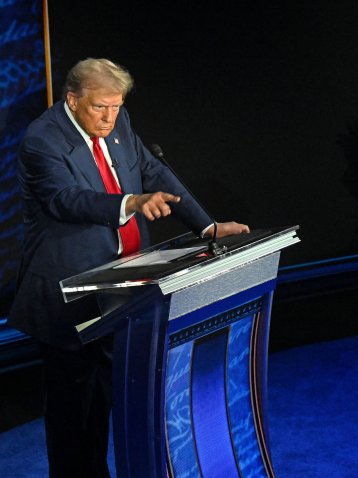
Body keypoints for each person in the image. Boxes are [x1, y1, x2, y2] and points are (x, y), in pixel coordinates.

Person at [9, 58, 249, 477]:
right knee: (76, 416)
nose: (110, 117)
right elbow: (66, 200)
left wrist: (207, 226)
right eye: (101, 107)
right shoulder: (41, 140)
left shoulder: (118, 122)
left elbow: (154, 171)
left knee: (114, 397)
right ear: (73, 99)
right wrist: (130, 203)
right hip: (71, 296)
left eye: (117, 107)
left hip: (126, 290)